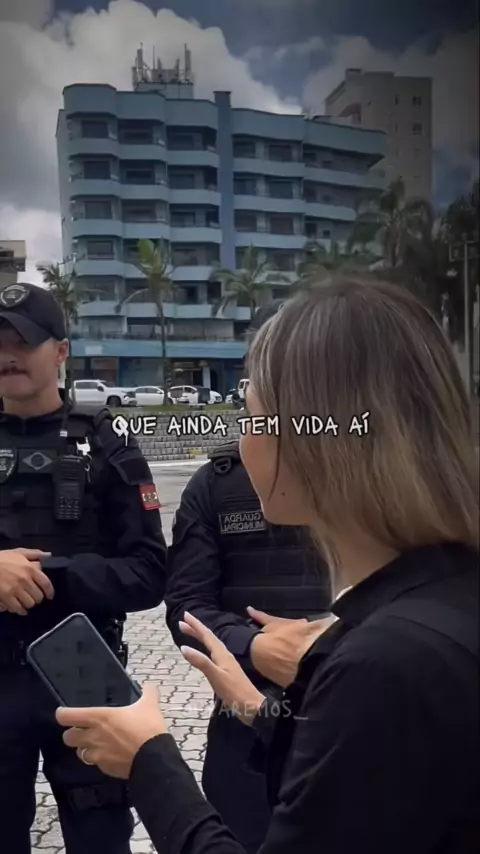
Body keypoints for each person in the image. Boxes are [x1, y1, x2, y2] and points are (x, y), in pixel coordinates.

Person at [55, 277, 479, 854]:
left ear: (313, 439)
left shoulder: (384, 665)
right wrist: (259, 710)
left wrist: (148, 761)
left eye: (252, 417)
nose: (244, 439)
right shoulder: (440, 605)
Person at [0, 282, 167, 854]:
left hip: (84, 670)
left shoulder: (107, 442)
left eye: (23, 342)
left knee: (100, 839)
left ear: (61, 351)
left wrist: (50, 576)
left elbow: (149, 573)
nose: (7, 356)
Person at [165, 299, 331, 852]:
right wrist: (255, 648)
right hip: (243, 717)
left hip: (348, 711)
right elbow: (184, 606)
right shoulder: (215, 484)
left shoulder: (372, 476)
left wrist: (331, 644)